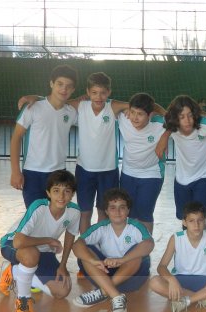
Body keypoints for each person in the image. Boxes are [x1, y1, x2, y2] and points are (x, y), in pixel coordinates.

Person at [17, 72, 167, 234]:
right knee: (84, 213)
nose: (98, 97)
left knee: (104, 211)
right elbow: (56, 99)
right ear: (87, 92)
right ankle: (86, 245)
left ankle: (100, 244)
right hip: (84, 171)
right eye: (94, 93)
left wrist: (164, 116)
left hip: (108, 171)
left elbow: (146, 106)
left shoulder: (114, 106)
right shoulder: (80, 106)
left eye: (103, 93)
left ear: (109, 92)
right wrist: (36, 97)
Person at [0, 170, 80, 312]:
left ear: (72, 194)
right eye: (56, 191)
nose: (61, 196)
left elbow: (70, 235)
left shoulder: (74, 212)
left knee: (62, 291)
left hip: (42, 251)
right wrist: (48, 240)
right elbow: (18, 241)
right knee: (31, 255)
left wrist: (62, 265)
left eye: (66, 191)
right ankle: (23, 299)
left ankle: (13, 271)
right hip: (12, 244)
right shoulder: (39, 207)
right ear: (48, 193)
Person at [72, 188, 154, 312]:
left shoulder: (136, 227)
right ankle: (115, 295)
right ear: (106, 211)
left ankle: (102, 292)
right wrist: (94, 261)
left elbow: (149, 244)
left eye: (122, 207)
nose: (117, 212)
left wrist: (122, 260)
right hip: (104, 274)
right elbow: (77, 245)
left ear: (128, 210)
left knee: (138, 253)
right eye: (113, 208)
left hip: (131, 278)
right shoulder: (101, 227)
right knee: (85, 253)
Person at [149, 201, 206, 312]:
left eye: (200, 220)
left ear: (205, 221)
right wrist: (171, 279)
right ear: (184, 222)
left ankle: (187, 300)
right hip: (181, 281)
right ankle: (204, 297)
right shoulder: (176, 238)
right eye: (191, 221)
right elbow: (161, 266)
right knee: (154, 282)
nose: (196, 225)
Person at [10, 65, 78, 208]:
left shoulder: (71, 112)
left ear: (73, 90)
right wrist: (16, 171)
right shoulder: (33, 107)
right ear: (51, 83)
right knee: (35, 216)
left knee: (55, 218)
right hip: (33, 174)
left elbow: (85, 103)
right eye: (60, 84)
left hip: (58, 173)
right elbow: (16, 138)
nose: (64, 89)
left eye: (68, 86)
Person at [118, 93, 167, 235]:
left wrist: (165, 135)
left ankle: (144, 253)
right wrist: (127, 108)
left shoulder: (160, 123)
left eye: (140, 114)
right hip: (128, 174)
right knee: (129, 212)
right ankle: (130, 248)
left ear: (150, 115)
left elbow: (175, 120)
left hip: (151, 174)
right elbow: (110, 105)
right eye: (132, 112)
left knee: (145, 213)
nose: (134, 117)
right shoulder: (124, 118)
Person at [159, 95, 206, 220]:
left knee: (198, 219)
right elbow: (153, 106)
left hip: (203, 178)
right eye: (182, 116)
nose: (187, 120)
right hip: (181, 180)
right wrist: (165, 135)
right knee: (185, 219)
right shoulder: (172, 127)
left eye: (190, 115)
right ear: (175, 118)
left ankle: (202, 240)